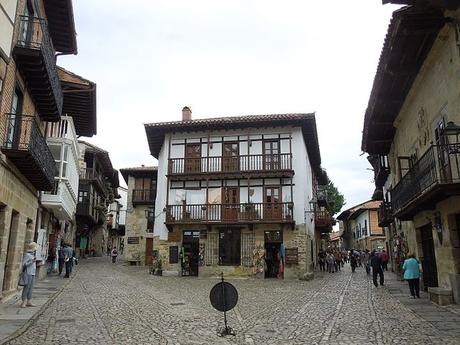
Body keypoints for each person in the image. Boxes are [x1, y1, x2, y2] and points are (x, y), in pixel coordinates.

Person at [21, 242, 38, 308]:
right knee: (26, 287)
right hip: (28, 273)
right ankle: (23, 301)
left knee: (31, 287)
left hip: (33, 272)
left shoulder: (32, 255)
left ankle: (29, 301)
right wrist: (32, 261)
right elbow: (24, 264)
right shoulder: (27, 255)